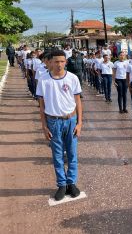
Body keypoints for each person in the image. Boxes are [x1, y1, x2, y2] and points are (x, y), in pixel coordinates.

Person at [36, 49, 83, 201]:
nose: (59, 64)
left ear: (66, 62)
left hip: (70, 120)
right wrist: (44, 126)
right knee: (57, 155)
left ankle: (71, 183)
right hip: (53, 121)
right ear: (50, 62)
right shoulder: (44, 80)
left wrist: (79, 123)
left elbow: (78, 102)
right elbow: (41, 105)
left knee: (72, 154)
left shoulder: (73, 78)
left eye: (62, 61)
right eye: (56, 61)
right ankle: (62, 184)